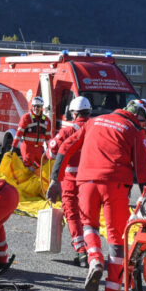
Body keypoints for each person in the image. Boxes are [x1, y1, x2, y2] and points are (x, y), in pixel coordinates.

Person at [49, 98, 146, 291]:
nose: (144, 127)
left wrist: (55, 178)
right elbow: (143, 169)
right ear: (140, 115)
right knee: (117, 239)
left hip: (85, 182)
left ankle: (95, 259)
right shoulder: (134, 130)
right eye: (145, 123)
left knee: (88, 226)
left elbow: (66, 147)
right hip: (115, 185)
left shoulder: (93, 122)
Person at [44, 96, 93, 268]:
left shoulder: (67, 131)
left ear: (72, 113)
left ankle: (81, 252)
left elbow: (52, 153)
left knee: (72, 215)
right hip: (92, 182)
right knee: (89, 216)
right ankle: (93, 252)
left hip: (70, 180)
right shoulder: (96, 129)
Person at [14, 95, 50, 170]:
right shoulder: (26, 117)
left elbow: (48, 137)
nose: (35, 108)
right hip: (27, 148)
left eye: (38, 106)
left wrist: (50, 148)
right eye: (34, 106)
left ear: (41, 107)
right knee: (28, 169)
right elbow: (19, 134)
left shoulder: (46, 120)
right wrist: (13, 146)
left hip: (39, 149)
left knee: (44, 168)